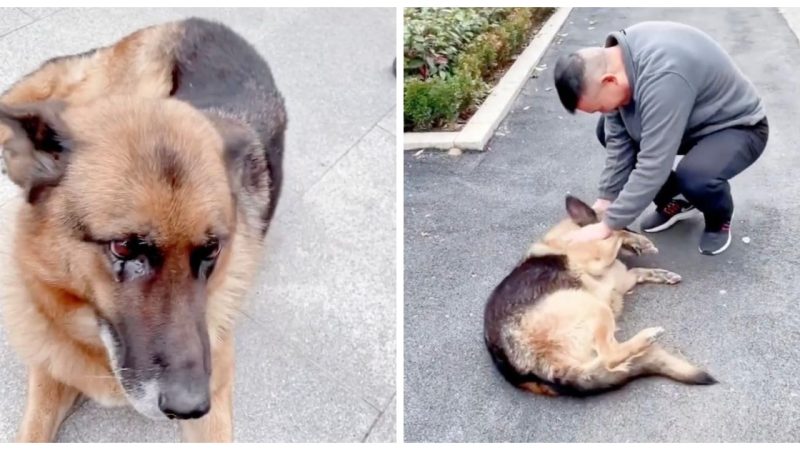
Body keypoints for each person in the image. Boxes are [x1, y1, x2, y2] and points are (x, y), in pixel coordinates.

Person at [553, 21, 768, 255]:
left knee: (695, 176)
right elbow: (619, 141)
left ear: (609, 81)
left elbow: (654, 162)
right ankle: (677, 200)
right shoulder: (617, 62)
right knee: (606, 130)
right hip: (689, 120)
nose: (603, 112)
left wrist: (606, 226)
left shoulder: (664, 75)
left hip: (736, 126)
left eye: (599, 107)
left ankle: (719, 220)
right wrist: (606, 200)